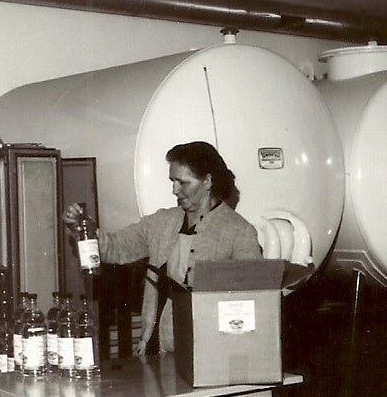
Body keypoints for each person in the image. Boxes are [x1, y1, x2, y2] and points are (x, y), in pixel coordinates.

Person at [63, 141, 262, 355]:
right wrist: (85, 231)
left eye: (182, 183)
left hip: (210, 356)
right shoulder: (160, 223)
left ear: (208, 181)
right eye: (172, 181)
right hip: (155, 351)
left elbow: (254, 302)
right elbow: (114, 248)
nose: (174, 190)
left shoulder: (240, 232)